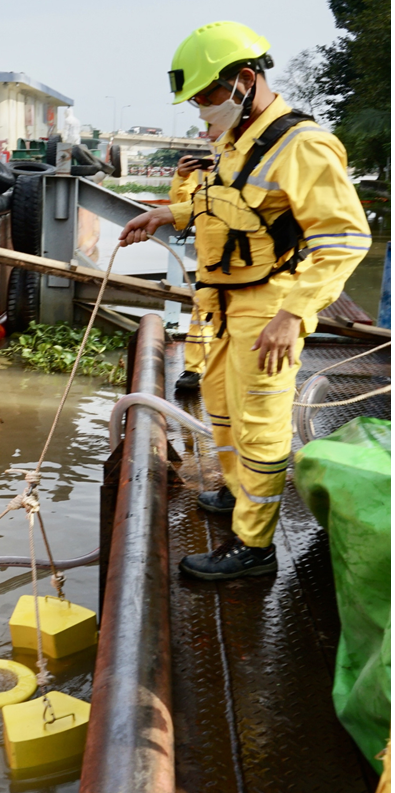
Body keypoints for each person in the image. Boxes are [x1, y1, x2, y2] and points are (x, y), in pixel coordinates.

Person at [119, 20, 371, 580]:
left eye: (208, 94)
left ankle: (254, 547)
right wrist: (168, 213)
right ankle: (237, 492)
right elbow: (230, 204)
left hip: (269, 305)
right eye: (197, 99)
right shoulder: (239, 142)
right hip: (224, 301)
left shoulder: (303, 145)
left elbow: (344, 239)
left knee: (260, 422)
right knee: (222, 407)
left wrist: (293, 314)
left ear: (245, 80)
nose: (203, 108)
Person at [170, 122, 223, 390]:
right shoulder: (210, 179)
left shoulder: (250, 166)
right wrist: (183, 177)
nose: (209, 135)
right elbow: (185, 210)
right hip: (210, 264)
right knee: (202, 315)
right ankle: (194, 370)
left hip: (250, 265)